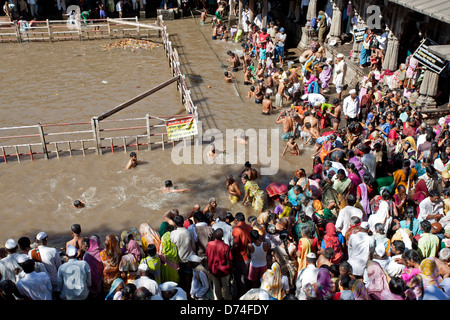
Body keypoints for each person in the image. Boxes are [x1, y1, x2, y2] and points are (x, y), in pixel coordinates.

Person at [170, 215, 196, 294]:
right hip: (189, 258)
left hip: (179, 259)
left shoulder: (173, 233)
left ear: (175, 223)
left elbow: (173, 247)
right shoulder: (189, 232)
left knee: (180, 276)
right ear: (183, 222)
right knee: (188, 275)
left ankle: (182, 291)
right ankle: (188, 290)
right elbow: (193, 246)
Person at [206, 228, 233, 300]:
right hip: (224, 270)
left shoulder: (209, 244)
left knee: (216, 287)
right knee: (226, 288)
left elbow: (208, 255)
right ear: (222, 236)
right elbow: (229, 260)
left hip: (214, 270)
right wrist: (230, 269)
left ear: (214, 235)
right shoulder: (225, 246)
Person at [231, 212, 252, 298]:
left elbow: (235, 245)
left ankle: (242, 296)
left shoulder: (236, 229)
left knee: (240, 278)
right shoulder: (249, 227)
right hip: (249, 255)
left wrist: (229, 251)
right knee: (247, 276)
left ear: (236, 220)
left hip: (240, 257)